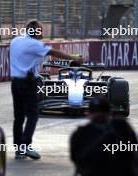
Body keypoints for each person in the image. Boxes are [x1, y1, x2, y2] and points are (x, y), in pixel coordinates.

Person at [10, 19, 83, 160]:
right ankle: (25, 145)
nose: (41, 34)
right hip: (27, 82)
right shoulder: (34, 44)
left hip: (15, 83)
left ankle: (19, 149)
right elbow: (53, 52)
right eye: (40, 31)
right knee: (33, 114)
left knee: (18, 117)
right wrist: (74, 58)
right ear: (36, 32)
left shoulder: (15, 41)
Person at [70, 97, 138, 176]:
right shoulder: (121, 126)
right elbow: (136, 154)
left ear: (88, 114)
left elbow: (77, 161)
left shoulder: (79, 133)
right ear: (110, 112)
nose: (99, 115)